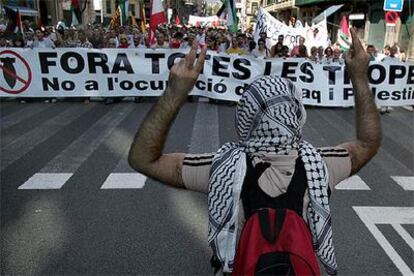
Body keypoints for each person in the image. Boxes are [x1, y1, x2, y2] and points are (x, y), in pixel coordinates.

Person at [128, 28, 381, 274]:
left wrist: (175, 92)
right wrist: (359, 77)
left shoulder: (224, 168)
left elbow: (143, 159)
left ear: (246, 118)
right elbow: (368, 143)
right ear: (297, 114)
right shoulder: (320, 166)